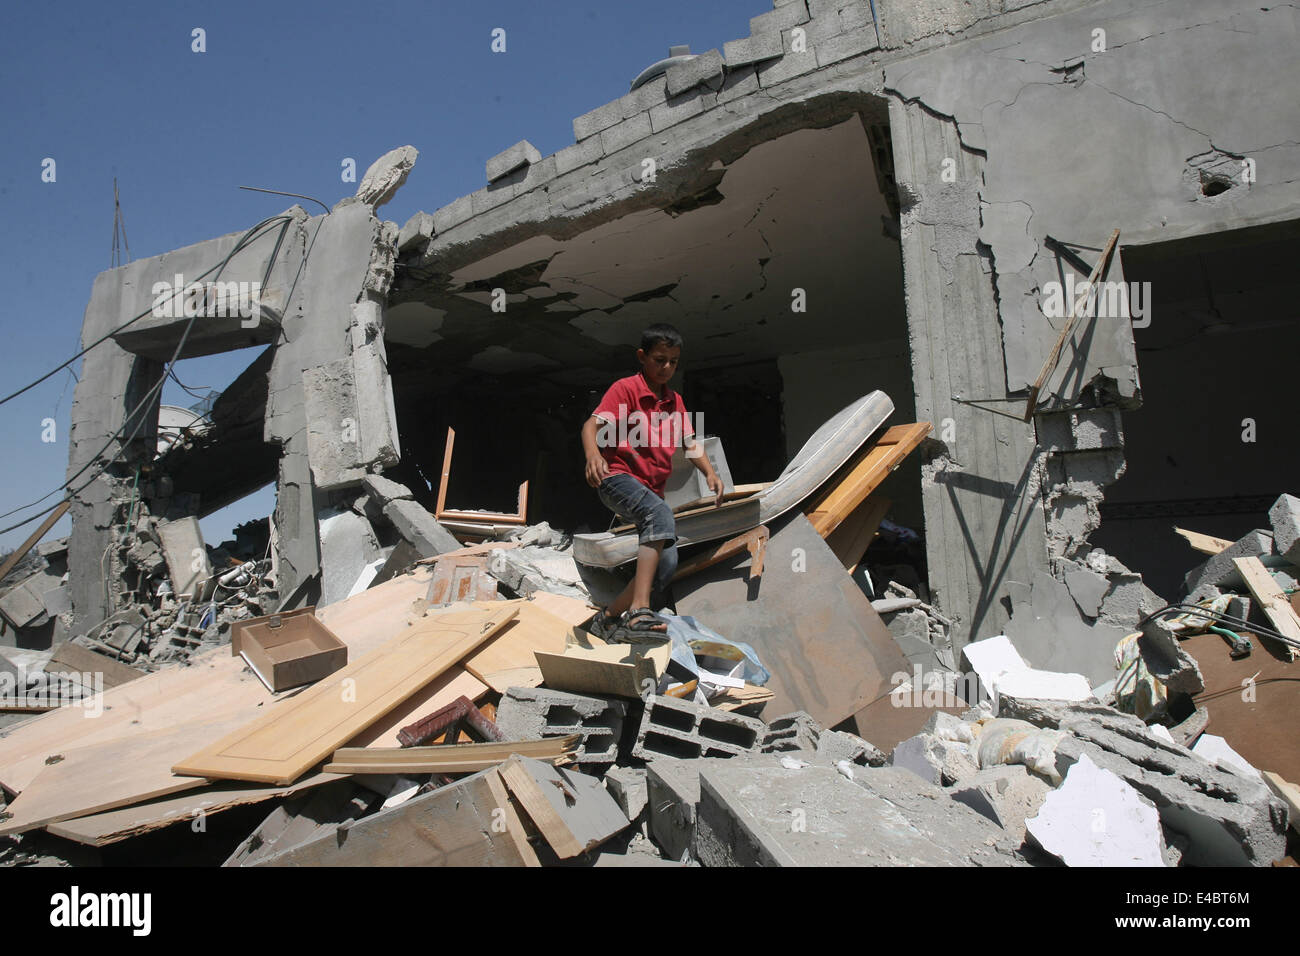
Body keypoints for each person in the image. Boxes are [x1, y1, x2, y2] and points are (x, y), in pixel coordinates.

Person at [580, 322, 723, 642]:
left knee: (664, 564)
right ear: (642, 357)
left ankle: (606, 619)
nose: (667, 367)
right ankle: (639, 612)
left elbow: (690, 443)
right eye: (660, 360)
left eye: (673, 361)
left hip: (649, 491)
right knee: (659, 514)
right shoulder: (625, 389)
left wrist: (709, 473)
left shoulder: (676, 403)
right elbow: (592, 425)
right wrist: (593, 455)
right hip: (616, 478)